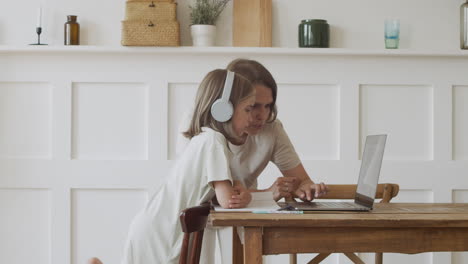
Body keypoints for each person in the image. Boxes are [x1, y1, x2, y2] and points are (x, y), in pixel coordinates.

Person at [89, 69, 256, 264]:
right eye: (247, 109)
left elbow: (220, 191)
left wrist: (235, 186)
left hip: (153, 228)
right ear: (223, 109)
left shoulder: (204, 139)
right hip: (162, 236)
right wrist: (247, 195)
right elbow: (228, 200)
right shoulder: (213, 143)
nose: (251, 118)